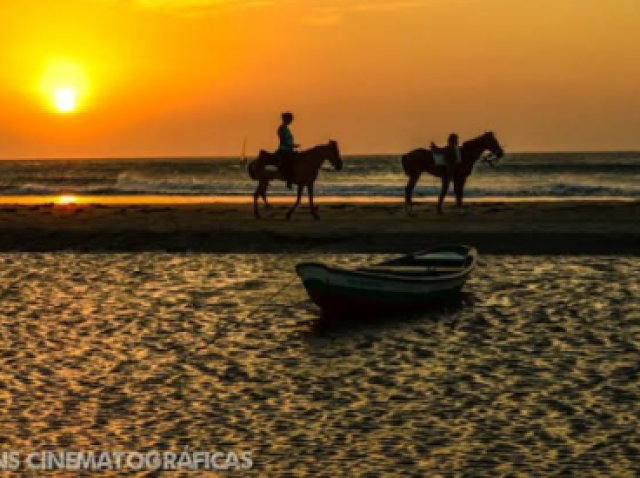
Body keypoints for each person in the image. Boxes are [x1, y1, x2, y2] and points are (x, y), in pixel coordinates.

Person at [278, 112, 300, 190]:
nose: (291, 121)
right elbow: (284, 140)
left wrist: (293, 145)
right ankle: (289, 180)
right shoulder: (281, 128)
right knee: (290, 163)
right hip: (284, 150)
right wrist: (293, 145)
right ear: (285, 119)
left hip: (289, 149)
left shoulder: (286, 128)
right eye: (290, 119)